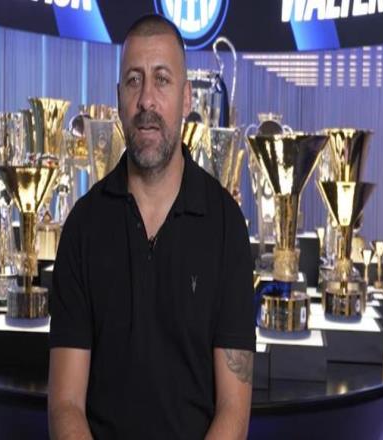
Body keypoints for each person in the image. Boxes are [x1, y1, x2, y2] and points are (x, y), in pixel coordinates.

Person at [48, 14, 255, 440]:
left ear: (185, 97)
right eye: (133, 81)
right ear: (118, 98)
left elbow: (234, 409)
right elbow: (66, 405)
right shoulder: (83, 226)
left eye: (162, 80)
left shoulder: (226, 226)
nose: (146, 100)